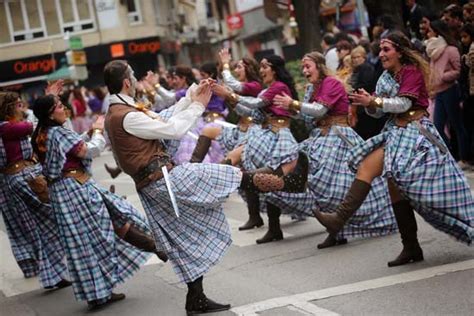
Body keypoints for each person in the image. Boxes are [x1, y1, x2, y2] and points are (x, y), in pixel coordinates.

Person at [102, 59, 293, 314]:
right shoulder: (125, 115)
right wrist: (198, 106)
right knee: (213, 174)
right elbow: (173, 129)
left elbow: (161, 117)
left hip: (156, 182)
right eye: (134, 75)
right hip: (161, 181)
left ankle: (196, 299)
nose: (136, 79)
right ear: (127, 82)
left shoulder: (122, 110)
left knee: (184, 240)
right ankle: (263, 181)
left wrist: (193, 96)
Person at [314, 31, 473, 267]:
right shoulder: (385, 76)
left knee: (419, 188)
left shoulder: (411, 72)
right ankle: (349, 223)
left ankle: (453, 228)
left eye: (386, 50)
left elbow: (404, 104)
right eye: (380, 50)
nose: (382, 54)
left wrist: (374, 102)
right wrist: (369, 103)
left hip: (416, 132)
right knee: (370, 170)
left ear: (400, 51)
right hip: (395, 132)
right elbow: (380, 111)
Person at [31, 94, 160, 310]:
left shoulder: (43, 133)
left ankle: (98, 292)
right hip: (75, 190)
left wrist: (89, 132)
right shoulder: (57, 132)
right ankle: (155, 247)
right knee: (103, 232)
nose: (65, 109)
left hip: (62, 192)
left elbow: (72, 146)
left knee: (82, 244)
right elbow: (90, 150)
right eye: (60, 106)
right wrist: (98, 130)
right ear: (50, 113)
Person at [270, 52, 396, 248]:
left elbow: (320, 110)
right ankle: (335, 230)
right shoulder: (312, 87)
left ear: (319, 66)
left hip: (338, 138)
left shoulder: (332, 83)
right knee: (315, 183)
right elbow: (308, 118)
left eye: (308, 66)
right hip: (320, 138)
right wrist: (292, 110)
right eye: (303, 67)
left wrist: (293, 104)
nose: (304, 71)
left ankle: (341, 226)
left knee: (330, 185)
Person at [0, 92, 70, 288]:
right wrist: (46, 101)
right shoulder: (7, 128)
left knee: (37, 225)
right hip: (24, 177)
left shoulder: (7, 127)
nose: (21, 106)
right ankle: (52, 272)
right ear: (9, 107)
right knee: (50, 218)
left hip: (20, 176)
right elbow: (32, 124)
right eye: (18, 104)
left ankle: (50, 274)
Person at [190, 48, 263, 164]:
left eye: (239, 67)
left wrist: (225, 64)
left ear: (249, 69)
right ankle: (192, 167)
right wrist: (226, 95)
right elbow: (240, 109)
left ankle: (217, 175)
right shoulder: (241, 88)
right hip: (240, 129)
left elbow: (231, 83)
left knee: (230, 160)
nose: (236, 70)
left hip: (253, 133)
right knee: (207, 131)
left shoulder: (255, 86)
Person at [426, 20, 471, 169]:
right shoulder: (432, 50)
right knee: (438, 126)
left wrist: (442, 76)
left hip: (450, 90)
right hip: (438, 92)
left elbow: (458, 71)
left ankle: (464, 157)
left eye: (430, 31)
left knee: (457, 125)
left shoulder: (451, 49)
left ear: (437, 32)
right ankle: (450, 155)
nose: (428, 34)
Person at [349, 45, 387, 140]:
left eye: (358, 57)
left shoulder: (366, 68)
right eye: (353, 58)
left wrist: (350, 90)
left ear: (364, 57)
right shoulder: (358, 69)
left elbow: (366, 84)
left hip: (365, 104)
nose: (356, 60)